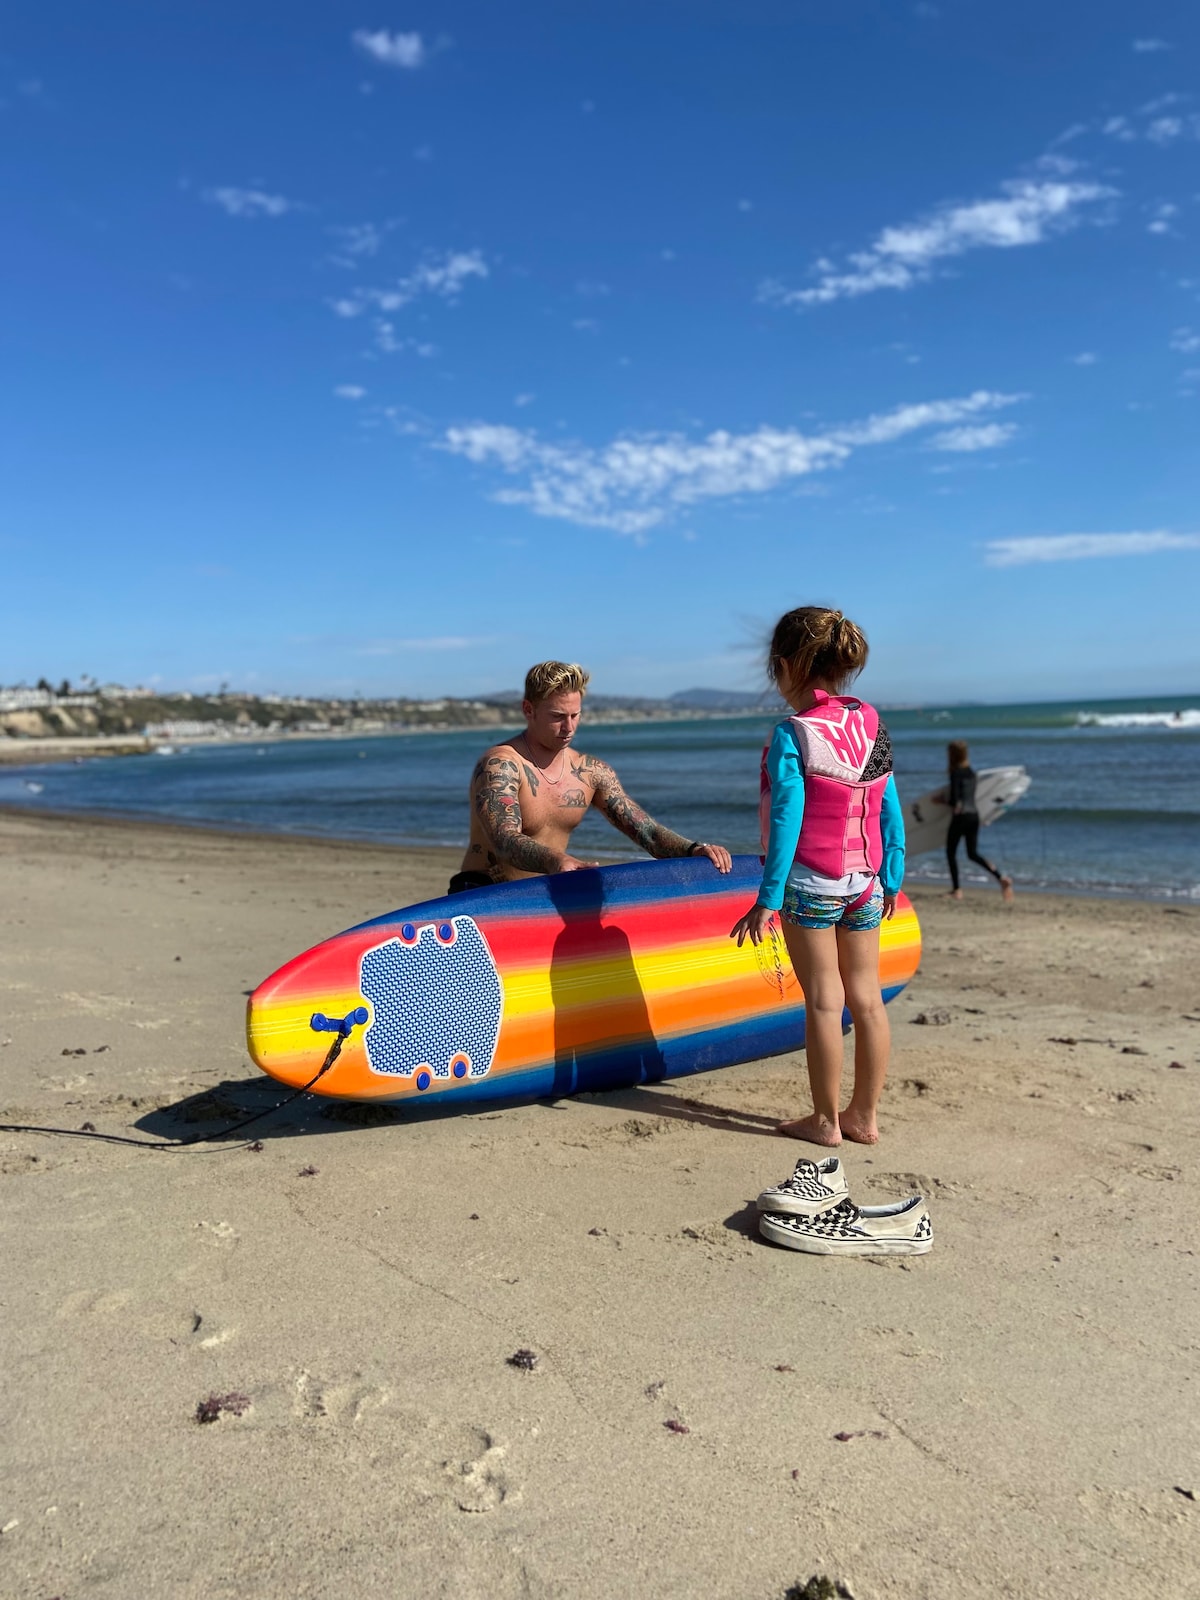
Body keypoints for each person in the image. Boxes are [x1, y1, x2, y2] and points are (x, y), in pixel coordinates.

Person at [729, 607, 905, 1147]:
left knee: (825, 1002)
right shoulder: (870, 720)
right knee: (868, 999)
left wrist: (768, 896)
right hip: (867, 881)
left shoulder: (794, 734)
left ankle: (827, 1122)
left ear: (784, 665)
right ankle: (864, 1117)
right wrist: (892, 876)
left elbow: (787, 820)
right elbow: (888, 808)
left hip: (812, 883)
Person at [450, 660, 732, 892]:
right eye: (558, 716)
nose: (569, 727)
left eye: (575, 715)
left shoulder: (590, 772)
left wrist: (694, 850)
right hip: (481, 893)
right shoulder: (501, 765)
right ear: (529, 710)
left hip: (542, 895)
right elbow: (503, 840)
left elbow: (647, 832)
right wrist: (557, 860)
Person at [943, 739, 1014, 902]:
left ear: (952, 755)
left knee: (951, 853)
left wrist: (940, 801)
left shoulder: (955, 773)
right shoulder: (971, 773)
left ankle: (957, 890)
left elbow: (955, 800)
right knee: (972, 854)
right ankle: (1001, 877)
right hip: (974, 816)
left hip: (960, 817)